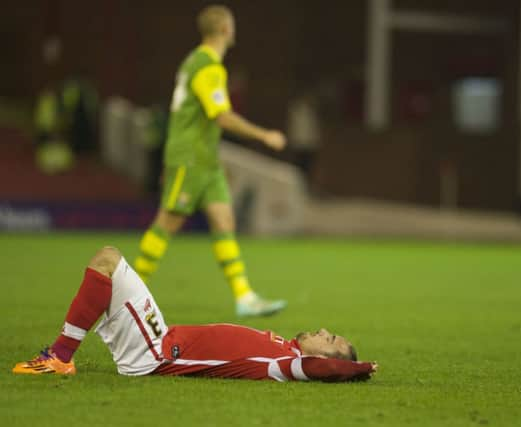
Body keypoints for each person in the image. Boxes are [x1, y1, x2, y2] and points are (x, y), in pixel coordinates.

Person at [13, 247, 377, 382]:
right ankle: (60, 355)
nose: (325, 329)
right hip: (162, 338)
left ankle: (59, 358)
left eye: (330, 340)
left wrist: (356, 369)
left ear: (320, 356)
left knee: (108, 261)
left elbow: (322, 369)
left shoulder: (285, 364)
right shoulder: (286, 348)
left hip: (154, 353)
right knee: (108, 259)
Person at [134, 5, 287, 317]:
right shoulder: (207, 66)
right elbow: (221, 116)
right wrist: (263, 135)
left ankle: (244, 297)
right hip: (190, 158)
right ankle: (126, 294)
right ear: (225, 29)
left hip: (205, 159)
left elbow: (187, 114)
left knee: (224, 221)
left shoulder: (192, 61)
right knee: (168, 223)